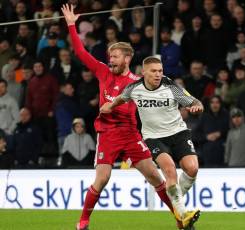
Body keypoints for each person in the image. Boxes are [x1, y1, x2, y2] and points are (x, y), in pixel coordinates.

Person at [60, 5, 192, 230]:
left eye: (115, 56)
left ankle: (181, 218)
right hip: (108, 134)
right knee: (102, 179)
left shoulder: (138, 83)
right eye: (109, 56)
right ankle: (83, 221)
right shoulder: (102, 72)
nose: (110, 59)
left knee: (156, 178)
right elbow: (81, 53)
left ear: (127, 58)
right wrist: (71, 24)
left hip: (131, 134)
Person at [100, 56, 202, 227]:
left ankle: (176, 198)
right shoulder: (134, 88)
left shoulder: (170, 86)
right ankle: (183, 213)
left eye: (160, 71)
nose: (157, 74)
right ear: (144, 72)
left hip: (178, 133)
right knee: (169, 170)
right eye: (153, 71)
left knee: (192, 168)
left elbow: (194, 101)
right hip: (153, 137)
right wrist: (110, 106)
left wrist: (196, 107)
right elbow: (121, 98)